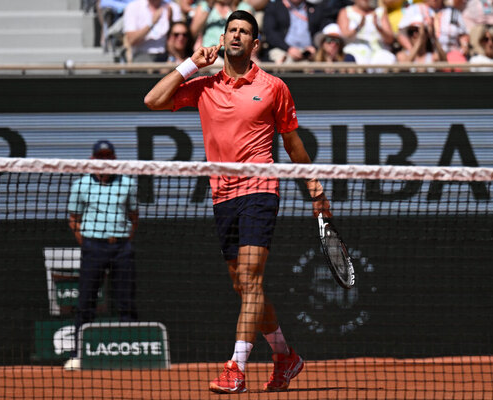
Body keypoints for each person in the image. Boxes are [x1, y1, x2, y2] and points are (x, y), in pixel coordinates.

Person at [144, 10, 331, 393]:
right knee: (245, 287)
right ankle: (285, 356)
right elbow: (153, 100)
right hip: (222, 195)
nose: (237, 36)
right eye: (232, 30)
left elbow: (293, 145)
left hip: (260, 189)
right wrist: (190, 65)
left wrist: (314, 188)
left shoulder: (274, 87)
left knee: (251, 278)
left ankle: (236, 367)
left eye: (245, 32)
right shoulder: (205, 85)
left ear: (255, 44)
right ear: (223, 37)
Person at [63, 140, 139, 371]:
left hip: (121, 248)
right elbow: (73, 219)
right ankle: (78, 354)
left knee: (126, 301)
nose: (104, 160)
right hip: (93, 248)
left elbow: (134, 216)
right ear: (93, 159)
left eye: (108, 156)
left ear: (114, 159)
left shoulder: (128, 183)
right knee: (86, 301)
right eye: (100, 156)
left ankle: (130, 353)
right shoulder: (80, 185)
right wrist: (87, 243)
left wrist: (123, 239)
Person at [263, 0, 334, 64]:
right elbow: (270, 33)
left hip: (308, 52)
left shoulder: (315, 9)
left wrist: (314, 47)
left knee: (324, 61)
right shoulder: (274, 7)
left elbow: (321, 31)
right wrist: (288, 49)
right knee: (285, 62)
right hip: (282, 50)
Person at [337, 0, 397, 66]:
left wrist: (378, 28)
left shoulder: (380, 12)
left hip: (379, 52)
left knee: (387, 59)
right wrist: (358, 27)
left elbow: (390, 39)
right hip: (355, 52)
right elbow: (344, 36)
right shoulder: (346, 12)